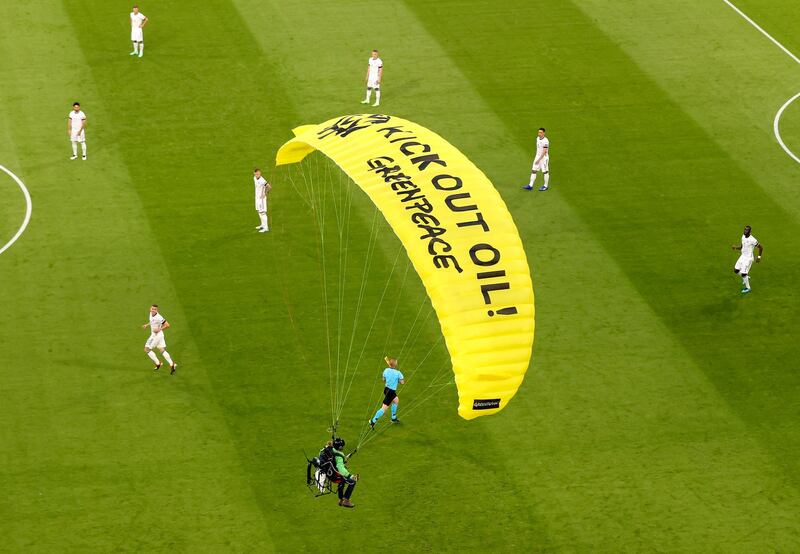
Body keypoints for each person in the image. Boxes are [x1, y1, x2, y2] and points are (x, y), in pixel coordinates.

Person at [142, 304, 178, 374]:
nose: (153, 310)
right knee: (162, 350)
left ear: (157, 310)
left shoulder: (159, 317)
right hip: (160, 335)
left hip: (156, 335)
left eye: (155, 309)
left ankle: (158, 363)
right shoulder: (151, 313)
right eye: (152, 308)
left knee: (147, 349)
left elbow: (167, 325)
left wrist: (159, 329)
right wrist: (147, 325)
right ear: (150, 308)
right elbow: (152, 321)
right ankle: (172, 364)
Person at [369, 357, 404, 428]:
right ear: (395, 365)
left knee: (396, 400)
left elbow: (383, 379)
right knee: (384, 408)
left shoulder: (386, 370)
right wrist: (397, 380)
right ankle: (373, 421)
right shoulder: (398, 373)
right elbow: (402, 382)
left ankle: (393, 418)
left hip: (386, 389)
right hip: (390, 392)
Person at [732, 225, 763, 294]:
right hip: (742, 256)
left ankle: (748, 288)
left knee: (743, 274)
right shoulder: (743, 236)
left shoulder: (753, 240)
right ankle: (745, 278)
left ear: (750, 231)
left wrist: (759, 257)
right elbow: (742, 247)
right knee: (736, 270)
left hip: (748, 258)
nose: (745, 231)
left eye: (747, 230)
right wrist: (736, 248)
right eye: (744, 230)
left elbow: (761, 248)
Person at [331, 437, 358, 508]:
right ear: (340, 447)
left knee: (342, 482)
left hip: (332, 473)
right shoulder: (339, 457)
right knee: (352, 482)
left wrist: (345, 458)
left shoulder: (332, 450)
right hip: (336, 474)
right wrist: (350, 476)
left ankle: (340, 500)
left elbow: (337, 460)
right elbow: (341, 469)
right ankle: (346, 501)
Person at [253, 168, 272, 233]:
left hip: (262, 200)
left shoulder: (262, 180)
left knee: (262, 212)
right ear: (254, 174)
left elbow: (269, 187)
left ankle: (266, 228)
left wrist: (265, 194)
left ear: (260, 173)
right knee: (259, 211)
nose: (257, 175)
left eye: (258, 174)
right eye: (256, 174)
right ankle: (262, 225)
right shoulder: (254, 178)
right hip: (257, 198)